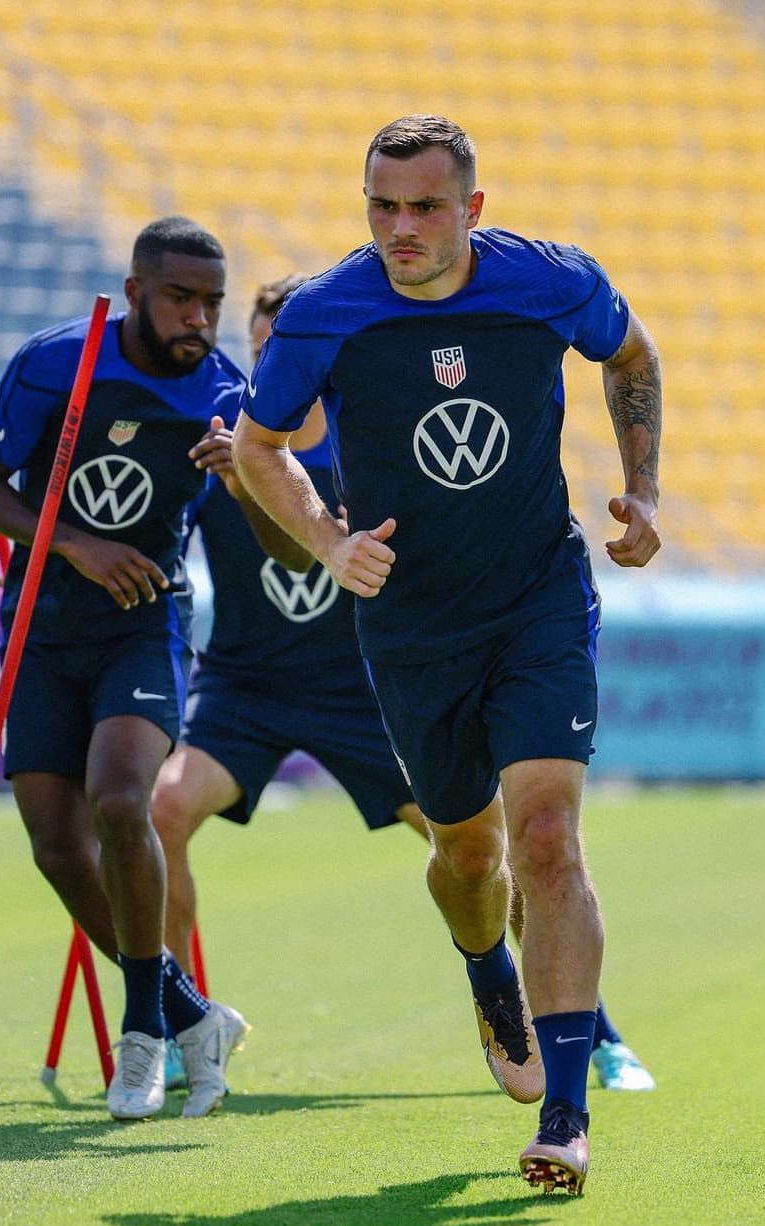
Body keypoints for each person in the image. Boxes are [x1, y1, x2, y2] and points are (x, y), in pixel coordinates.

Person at [232, 117, 663, 1194]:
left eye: (424, 207)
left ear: (472, 208)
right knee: (470, 857)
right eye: (381, 206)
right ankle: (485, 967)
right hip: (413, 626)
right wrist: (328, 542)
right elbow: (257, 445)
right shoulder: (325, 311)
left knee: (548, 839)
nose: (400, 228)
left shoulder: (549, 281)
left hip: (536, 600)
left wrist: (642, 489)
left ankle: (565, 1117)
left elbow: (630, 355)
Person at [154, 273, 656, 1099]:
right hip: (247, 686)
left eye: (288, 349)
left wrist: (254, 492)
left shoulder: (362, 439)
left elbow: (298, 555)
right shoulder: (229, 444)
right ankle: (174, 1028)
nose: (278, 364)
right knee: (163, 809)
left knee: (490, 851)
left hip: (360, 687)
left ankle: (592, 1031)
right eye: (263, 351)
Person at [0, 215, 248, 1122]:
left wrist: (245, 474)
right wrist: (75, 544)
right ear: (134, 293)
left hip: (144, 626)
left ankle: (143, 1035)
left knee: (121, 800)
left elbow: (279, 534)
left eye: (212, 303)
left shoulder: (227, 394)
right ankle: (192, 1012)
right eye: (180, 298)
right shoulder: (57, 363)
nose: (198, 318)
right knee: (54, 844)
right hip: (43, 625)